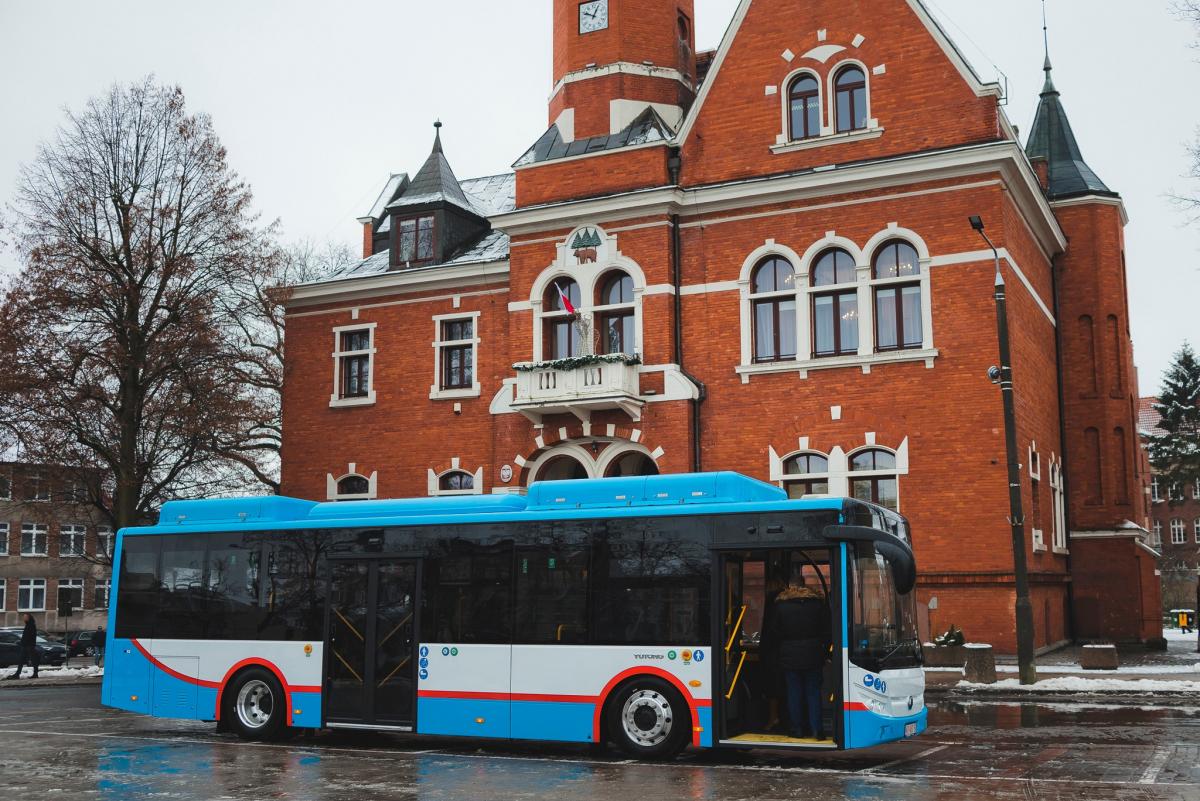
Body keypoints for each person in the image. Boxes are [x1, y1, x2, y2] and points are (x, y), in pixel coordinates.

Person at [770, 582, 830, 740]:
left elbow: (774, 632)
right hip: (813, 653)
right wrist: (824, 652)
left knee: (794, 693)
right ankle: (817, 730)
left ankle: (797, 729)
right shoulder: (817, 605)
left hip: (789, 654)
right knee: (813, 693)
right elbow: (827, 631)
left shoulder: (781, 606)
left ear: (789, 587)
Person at [7, 613, 41, 680]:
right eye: (24, 617)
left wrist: (27, 643)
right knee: (21, 660)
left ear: (29, 618)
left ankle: (35, 673)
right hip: (25, 646)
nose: (24, 618)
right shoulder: (28, 625)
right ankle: (17, 674)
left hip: (29, 646)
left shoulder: (31, 625)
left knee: (33, 660)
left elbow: (31, 636)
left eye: (25, 617)